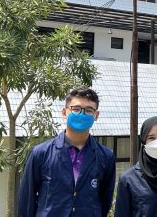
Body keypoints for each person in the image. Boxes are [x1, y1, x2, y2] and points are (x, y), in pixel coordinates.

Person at [18, 87, 116, 217]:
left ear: (95, 115)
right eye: (76, 109)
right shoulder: (40, 153)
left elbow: (105, 201)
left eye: (89, 110)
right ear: (64, 112)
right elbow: (26, 201)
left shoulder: (106, 156)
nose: (82, 114)